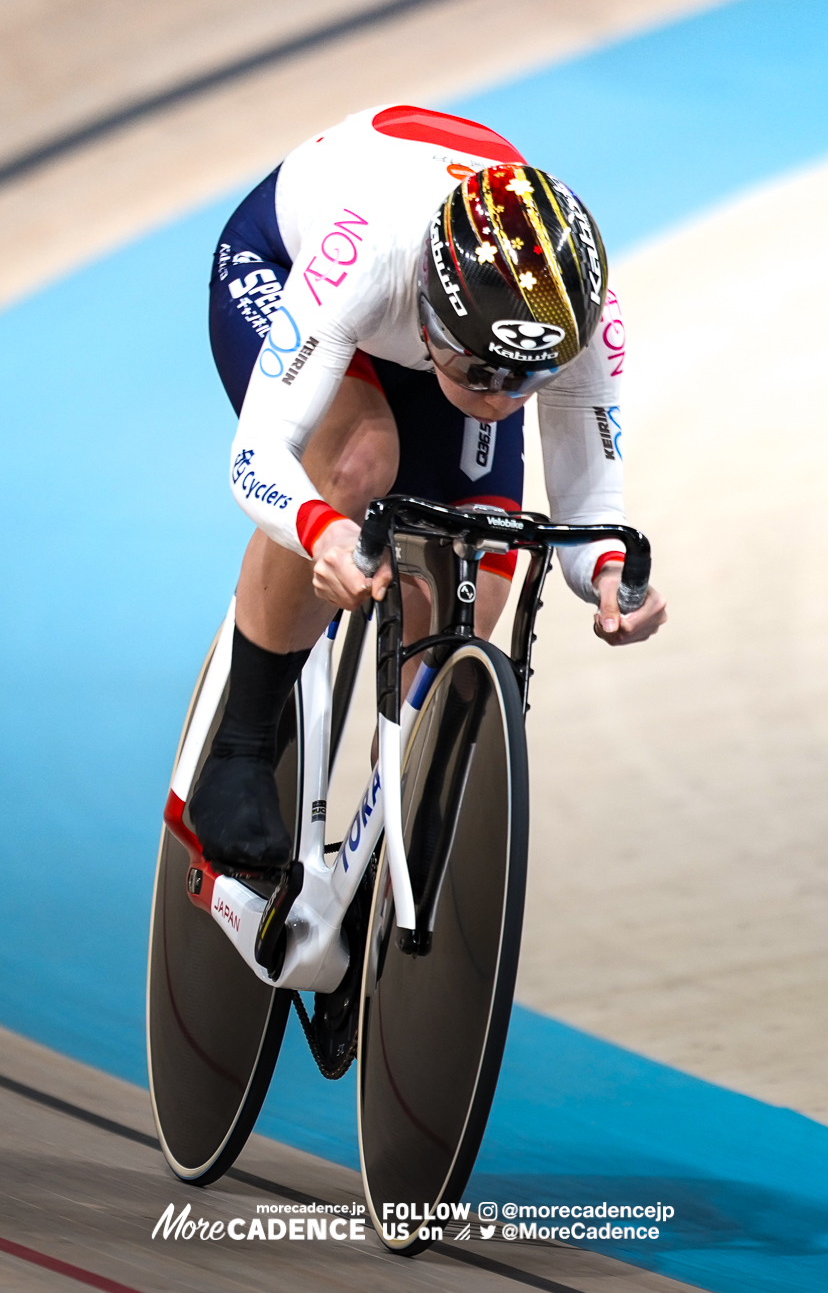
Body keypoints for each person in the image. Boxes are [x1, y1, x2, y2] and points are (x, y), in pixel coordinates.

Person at [189, 105, 667, 1057]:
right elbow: (257, 455)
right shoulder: (365, 248)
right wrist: (320, 528)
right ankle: (240, 746)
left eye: (521, 383)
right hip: (291, 274)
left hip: (438, 321)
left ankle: (376, 863)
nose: (500, 401)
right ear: (442, 316)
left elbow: (587, 494)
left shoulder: (578, 307)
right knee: (358, 463)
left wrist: (606, 573)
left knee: (484, 565)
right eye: (485, 373)